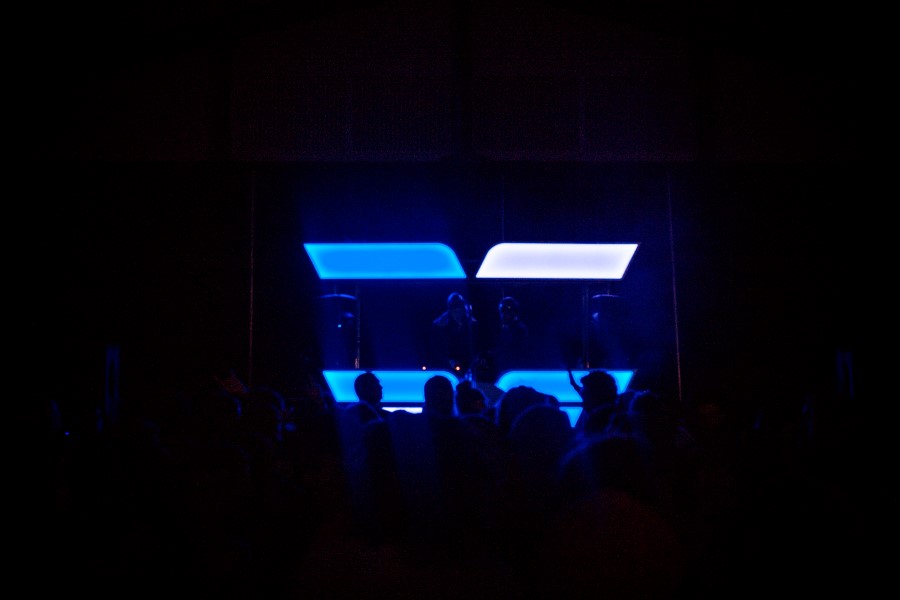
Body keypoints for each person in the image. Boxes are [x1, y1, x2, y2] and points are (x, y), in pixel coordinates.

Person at [428, 292, 481, 376]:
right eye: (454, 310)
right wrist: (448, 361)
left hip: (468, 366)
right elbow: (436, 349)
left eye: (460, 310)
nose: (457, 313)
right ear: (449, 310)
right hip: (445, 368)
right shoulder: (439, 326)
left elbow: (476, 346)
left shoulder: (472, 324)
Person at [493, 296, 530, 373]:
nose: (503, 315)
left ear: (513, 311)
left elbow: (515, 353)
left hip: (515, 371)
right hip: (505, 371)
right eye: (502, 311)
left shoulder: (519, 330)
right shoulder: (505, 329)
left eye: (505, 311)